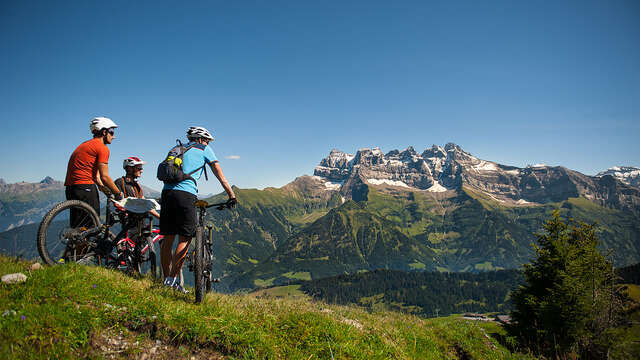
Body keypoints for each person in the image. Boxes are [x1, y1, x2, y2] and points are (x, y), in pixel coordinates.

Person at [160, 126, 236, 292]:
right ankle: (172, 281)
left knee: (167, 239)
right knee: (186, 237)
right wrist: (231, 195)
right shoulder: (205, 149)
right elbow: (220, 175)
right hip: (185, 195)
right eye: (207, 140)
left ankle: (165, 279)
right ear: (201, 139)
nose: (208, 143)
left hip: (166, 194)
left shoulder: (177, 149)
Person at [64, 117, 123, 228]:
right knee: (91, 226)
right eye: (111, 132)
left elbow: (96, 177)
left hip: (71, 188)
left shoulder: (85, 145)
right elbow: (104, 177)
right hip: (85, 187)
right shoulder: (102, 148)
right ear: (104, 132)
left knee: (78, 227)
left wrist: (106, 192)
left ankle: (74, 244)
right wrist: (118, 194)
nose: (113, 136)